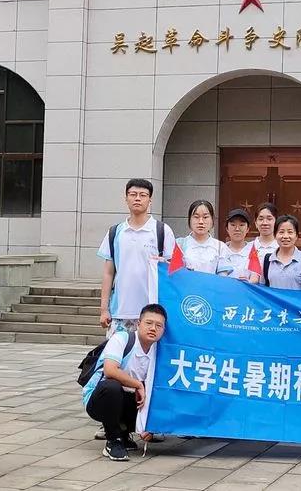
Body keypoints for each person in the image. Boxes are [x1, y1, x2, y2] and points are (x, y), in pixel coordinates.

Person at [83, 303, 167, 462]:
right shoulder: (122, 338)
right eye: (149, 323)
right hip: (100, 400)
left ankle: (124, 433)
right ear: (139, 323)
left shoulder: (159, 351)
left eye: (159, 326)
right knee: (111, 386)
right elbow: (110, 370)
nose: (153, 328)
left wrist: (151, 424)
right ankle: (113, 440)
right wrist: (138, 384)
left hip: (131, 401)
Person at [97, 178, 176, 337]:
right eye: (133, 194)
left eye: (143, 195)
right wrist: (104, 309)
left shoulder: (161, 230)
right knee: (118, 352)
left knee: (148, 353)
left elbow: (173, 270)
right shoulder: (115, 232)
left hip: (152, 313)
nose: (137, 198)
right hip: (120, 312)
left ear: (150, 200)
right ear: (126, 198)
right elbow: (108, 273)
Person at [260, 215, 301, 290]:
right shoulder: (268, 260)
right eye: (281, 232)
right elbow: (263, 290)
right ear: (275, 235)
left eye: (290, 232)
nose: (285, 236)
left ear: (296, 236)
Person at [179, 200, 228, 274]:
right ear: (189, 220)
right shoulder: (179, 244)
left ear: (212, 220)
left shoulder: (220, 247)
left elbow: (223, 276)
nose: (201, 222)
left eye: (205, 217)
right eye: (196, 217)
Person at [216, 208, 259, 282]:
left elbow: (255, 276)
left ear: (248, 229)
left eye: (241, 225)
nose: (237, 229)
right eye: (233, 225)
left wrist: (249, 282)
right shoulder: (220, 249)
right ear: (227, 228)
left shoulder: (253, 250)